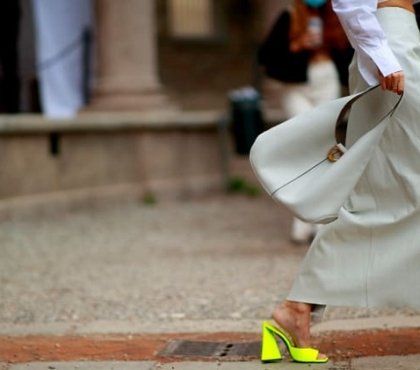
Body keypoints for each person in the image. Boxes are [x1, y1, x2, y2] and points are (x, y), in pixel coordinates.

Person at [261, 0, 420, 363]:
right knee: (381, 190)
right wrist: (383, 56)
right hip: (392, 53)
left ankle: (298, 307)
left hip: (404, 41)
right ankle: (297, 305)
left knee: (391, 189)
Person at [258, 0, 353, 244]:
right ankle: (301, 220)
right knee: (303, 147)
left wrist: (330, 42)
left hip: (326, 80)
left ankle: (320, 221)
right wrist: (297, 45)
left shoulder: (335, 15)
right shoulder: (289, 17)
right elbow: (267, 56)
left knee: (324, 150)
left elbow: (350, 52)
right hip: (297, 86)